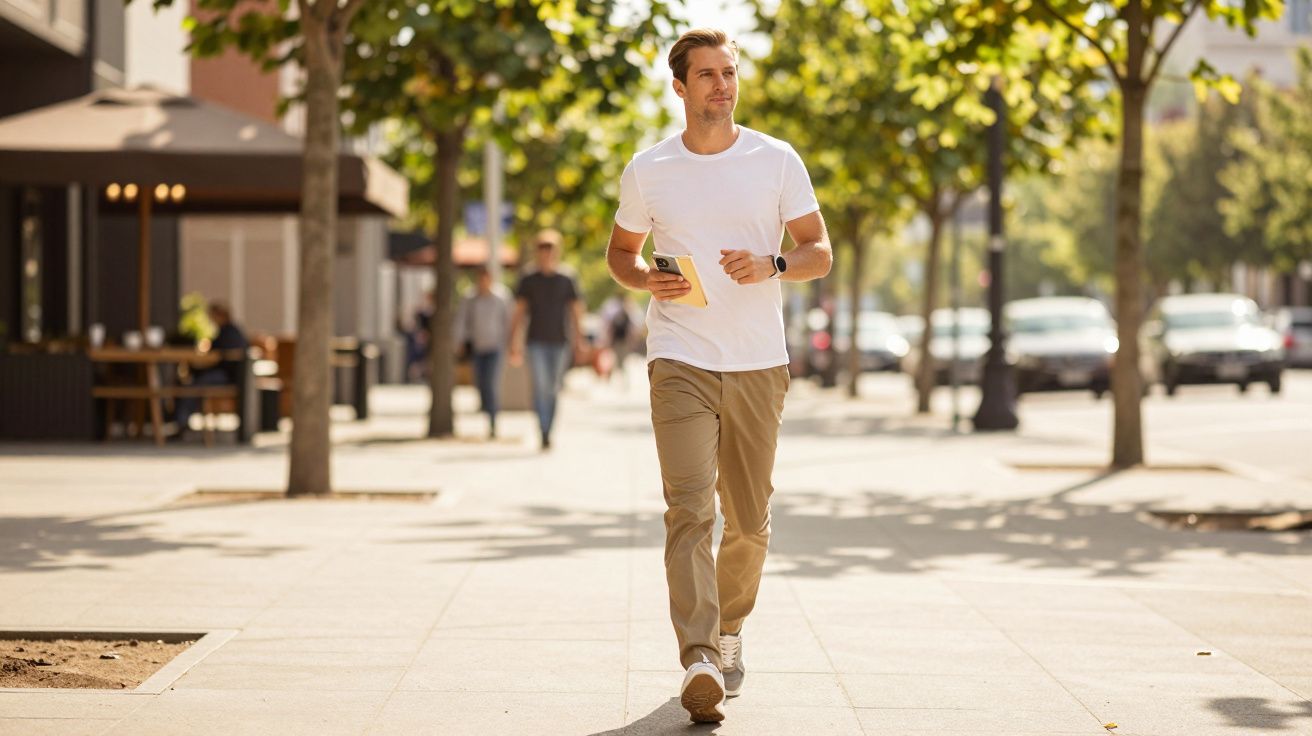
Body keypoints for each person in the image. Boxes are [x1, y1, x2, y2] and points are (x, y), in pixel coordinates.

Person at [605, 28, 832, 723]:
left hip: (759, 361)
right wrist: (647, 279)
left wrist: (777, 265)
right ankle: (699, 655)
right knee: (689, 510)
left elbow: (819, 249)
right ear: (679, 86)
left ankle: (730, 628)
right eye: (706, 75)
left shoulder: (776, 159)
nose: (721, 86)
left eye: (729, 73)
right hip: (680, 357)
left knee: (749, 523)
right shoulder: (650, 169)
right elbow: (620, 252)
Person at [508, 230, 585, 450]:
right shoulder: (528, 279)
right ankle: (542, 431)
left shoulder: (567, 278)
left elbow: (576, 311)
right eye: (542, 248)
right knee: (541, 387)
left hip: (560, 341)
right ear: (537, 251)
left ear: (557, 251)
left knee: (553, 389)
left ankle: (548, 429)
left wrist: (580, 341)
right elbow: (519, 313)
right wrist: (513, 342)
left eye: (550, 248)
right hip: (535, 342)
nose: (546, 253)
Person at [173, 301, 250, 439]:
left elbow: (216, 355)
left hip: (227, 376)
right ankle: (182, 421)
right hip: (230, 376)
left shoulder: (229, 333)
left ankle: (181, 422)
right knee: (190, 383)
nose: (211, 319)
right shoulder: (229, 331)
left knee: (191, 387)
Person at [454, 266, 512, 438]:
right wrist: (460, 341)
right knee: (480, 383)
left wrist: (512, 344)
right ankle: (486, 409)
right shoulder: (470, 298)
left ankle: (493, 420)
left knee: (491, 384)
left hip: (496, 347)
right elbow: (462, 320)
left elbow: (508, 320)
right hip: (478, 347)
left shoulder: (501, 297)